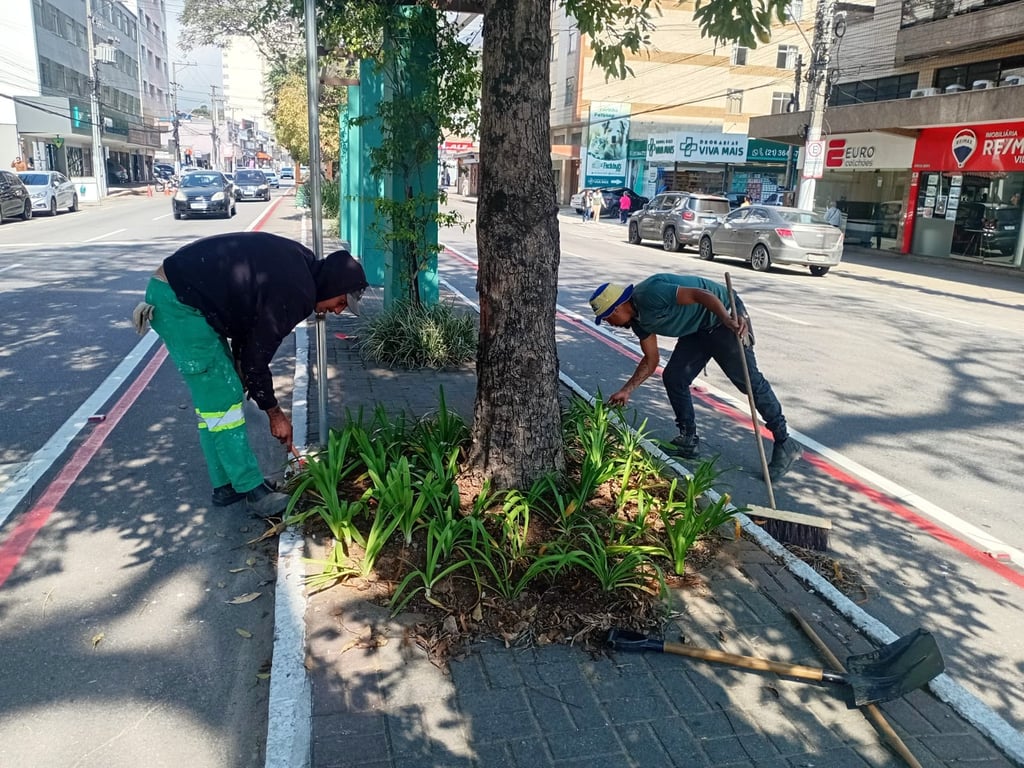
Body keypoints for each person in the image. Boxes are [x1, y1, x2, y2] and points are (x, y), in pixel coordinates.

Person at [132, 232, 369, 516]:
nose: (338, 312)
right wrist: (275, 414)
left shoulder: (302, 267)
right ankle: (252, 491)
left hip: (183, 295)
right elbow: (258, 358)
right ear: (334, 284)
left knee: (216, 403)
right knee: (223, 397)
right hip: (180, 304)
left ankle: (226, 486)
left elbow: (250, 331)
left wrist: (244, 373)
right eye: (341, 302)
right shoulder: (297, 292)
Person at [588, 275, 803, 480]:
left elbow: (701, 295)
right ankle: (688, 439)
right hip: (698, 329)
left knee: (749, 382)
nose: (609, 323)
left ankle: (785, 442)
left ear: (617, 308)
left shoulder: (650, 293)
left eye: (607, 318)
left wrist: (727, 318)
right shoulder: (638, 322)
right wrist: (627, 390)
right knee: (674, 377)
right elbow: (651, 360)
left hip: (723, 318)